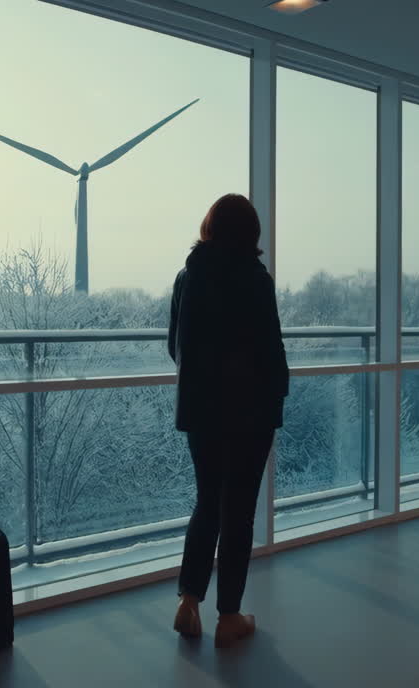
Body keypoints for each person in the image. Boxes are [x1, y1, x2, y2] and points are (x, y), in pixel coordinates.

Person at [167, 193, 288, 644]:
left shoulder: (187, 277)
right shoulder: (256, 279)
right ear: (252, 233)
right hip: (249, 413)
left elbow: (174, 345)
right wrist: (276, 392)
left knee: (207, 504)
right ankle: (229, 616)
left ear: (210, 226)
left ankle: (188, 601)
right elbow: (269, 349)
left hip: (201, 412)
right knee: (237, 514)